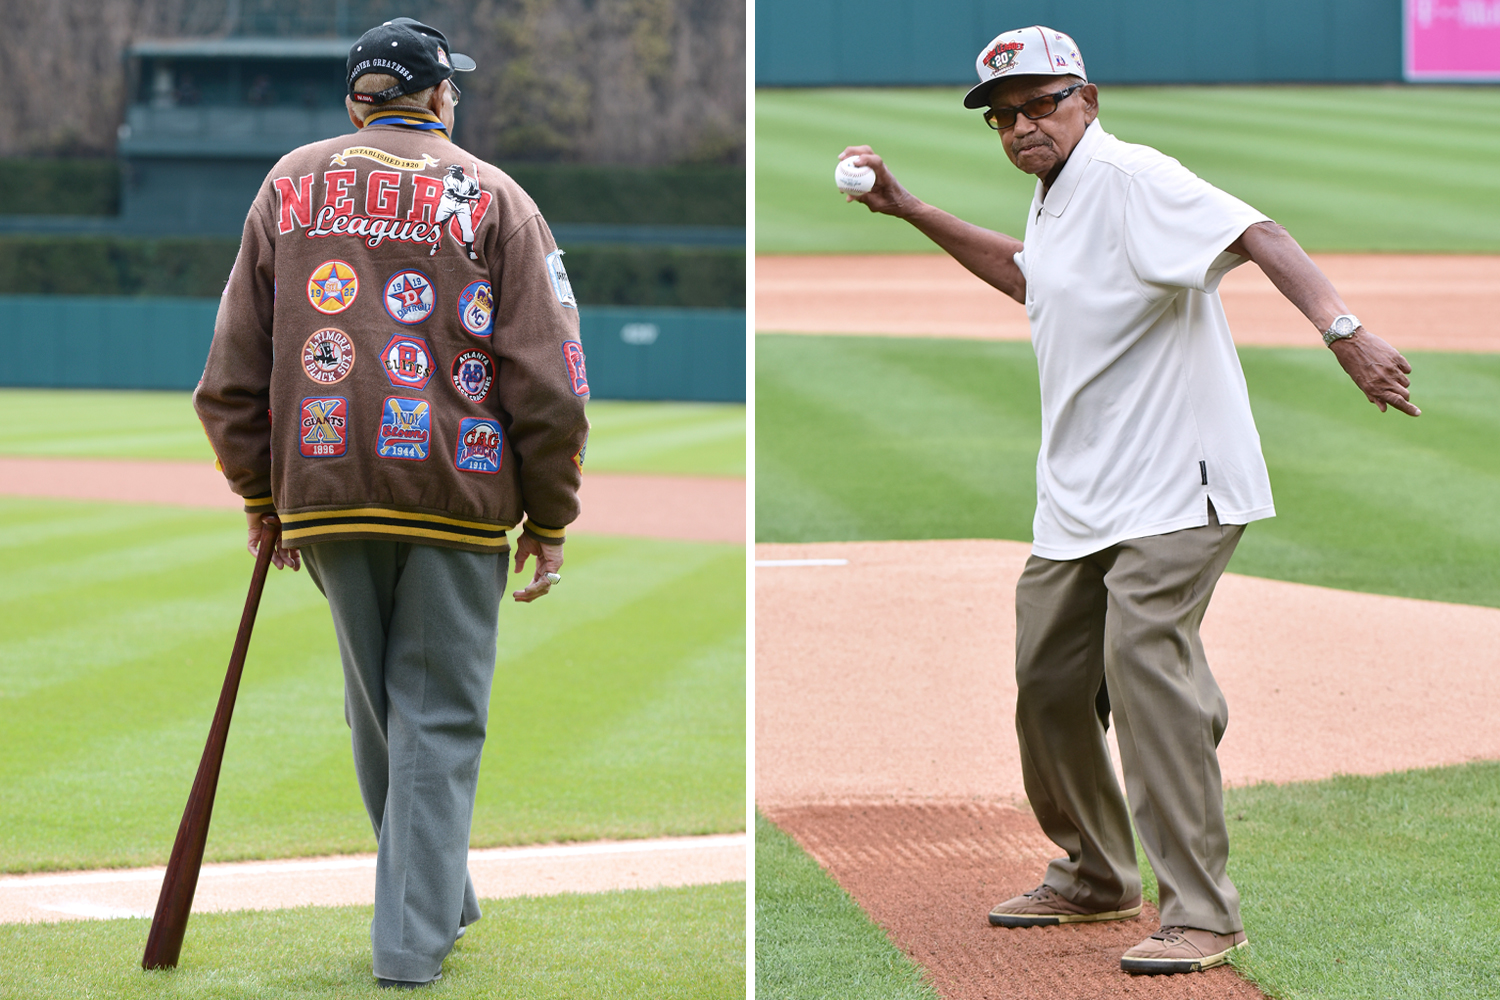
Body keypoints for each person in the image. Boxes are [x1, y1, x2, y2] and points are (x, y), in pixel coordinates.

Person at [840, 24, 1417, 976]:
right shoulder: (1055, 194)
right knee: (1050, 686)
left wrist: (1344, 333)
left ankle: (1203, 910)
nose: (1023, 124)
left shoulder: (1133, 176)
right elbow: (1031, 281)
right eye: (1004, 114)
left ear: (1087, 99)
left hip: (1179, 483)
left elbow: (1258, 233)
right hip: (1082, 492)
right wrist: (909, 209)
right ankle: (1099, 872)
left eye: (1041, 103)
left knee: (1144, 664)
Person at [194, 17, 589, 989]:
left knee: (379, 711)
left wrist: (260, 490)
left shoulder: (290, 181)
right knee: (439, 717)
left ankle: (438, 895)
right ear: (440, 95)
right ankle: (411, 943)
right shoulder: (496, 194)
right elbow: (547, 380)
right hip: (456, 485)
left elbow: (233, 370)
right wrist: (551, 514)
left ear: (355, 99)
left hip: (323, 486)